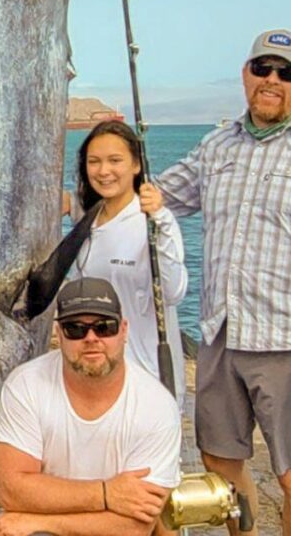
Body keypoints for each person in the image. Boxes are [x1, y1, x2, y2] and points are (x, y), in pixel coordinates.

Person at [156, 29, 291, 535]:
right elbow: (161, 198)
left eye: (286, 72)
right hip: (221, 336)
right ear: (245, 75)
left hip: (290, 346)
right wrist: (82, 200)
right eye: (263, 68)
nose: (272, 80)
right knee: (220, 461)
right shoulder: (217, 145)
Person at [0, 277, 181, 536]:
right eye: (75, 329)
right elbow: (12, 491)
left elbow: (136, 527)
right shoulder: (25, 385)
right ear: (59, 334)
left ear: (124, 330)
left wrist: (40, 522)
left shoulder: (156, 407)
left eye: (104, 327)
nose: (91, 338)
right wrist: (107, 494)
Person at [65, 120, 188, 399]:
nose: (104, 171)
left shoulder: (154, 221)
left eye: (115, 160)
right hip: (96, 376)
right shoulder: (89, 218)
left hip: (146, 380)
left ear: (136, 165)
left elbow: (173, 292)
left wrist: (161, 220)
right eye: (94, 161)